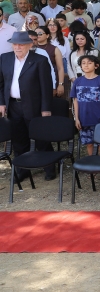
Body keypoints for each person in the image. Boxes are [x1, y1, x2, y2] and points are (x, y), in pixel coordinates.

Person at [0, 31, 54, 183]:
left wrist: (46, 109)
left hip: (34, 106)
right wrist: (1, 103)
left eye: (21, 45)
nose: (18, 47)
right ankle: (22, 170)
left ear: (30, 45)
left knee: (41, 138)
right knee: (18, 140)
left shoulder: (40, 60)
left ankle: (49, 167)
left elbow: (46, 87)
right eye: (15, 44)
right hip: (13, 105)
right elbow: (1, 83)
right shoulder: (5, 58)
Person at [70, 55, 100, 157]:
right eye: (83, 63)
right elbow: (75, 100)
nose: (86, 65)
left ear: (96, 66)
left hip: (99, 119)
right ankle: (92, 163)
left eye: (89, 63)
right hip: (84, 119)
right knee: (89, 143)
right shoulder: (78, 81)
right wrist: (76, 118)